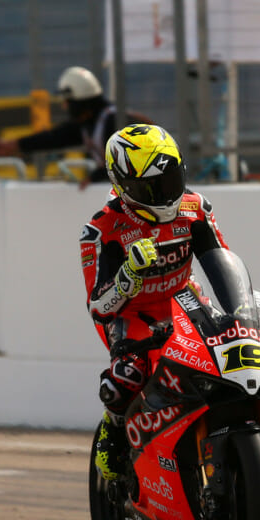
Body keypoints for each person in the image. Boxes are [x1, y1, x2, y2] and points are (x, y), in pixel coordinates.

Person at [79, 124, 230, 480]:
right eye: (153, 187)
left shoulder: (196, 208)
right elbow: (98, 307)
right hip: (132, 313)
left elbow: (222, 262)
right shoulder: (101, 229)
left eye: (172, 179)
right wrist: (127, 276)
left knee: (226, 355)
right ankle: (112, 431)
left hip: (185, 300)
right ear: (124, 186)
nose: (167, 193)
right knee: (126, 378)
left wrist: (237, 312)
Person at [0, 66, 152, 188]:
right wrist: (16, 145)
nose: (64, 107)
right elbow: (53, 138)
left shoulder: (117, 122)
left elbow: (129, 162)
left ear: (79, 102)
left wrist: (94, 177)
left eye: (68, 101)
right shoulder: (90, 123)